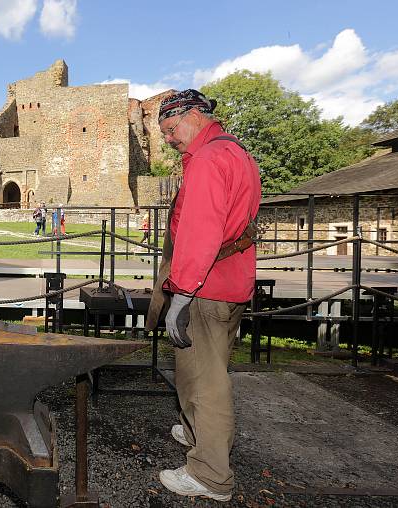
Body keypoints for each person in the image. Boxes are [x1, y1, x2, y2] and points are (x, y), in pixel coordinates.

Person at [148, 90, 261, 502]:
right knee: (203, 369)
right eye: (163, 133)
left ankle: (210, 474)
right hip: (228, 281)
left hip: (207, 285)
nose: (170, 138)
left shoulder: (210, 159)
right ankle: (198, 432)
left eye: (172, 128)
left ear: (195, 115)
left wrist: (180, 294)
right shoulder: (235, 152)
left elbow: (200, 232)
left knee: (205, 379)